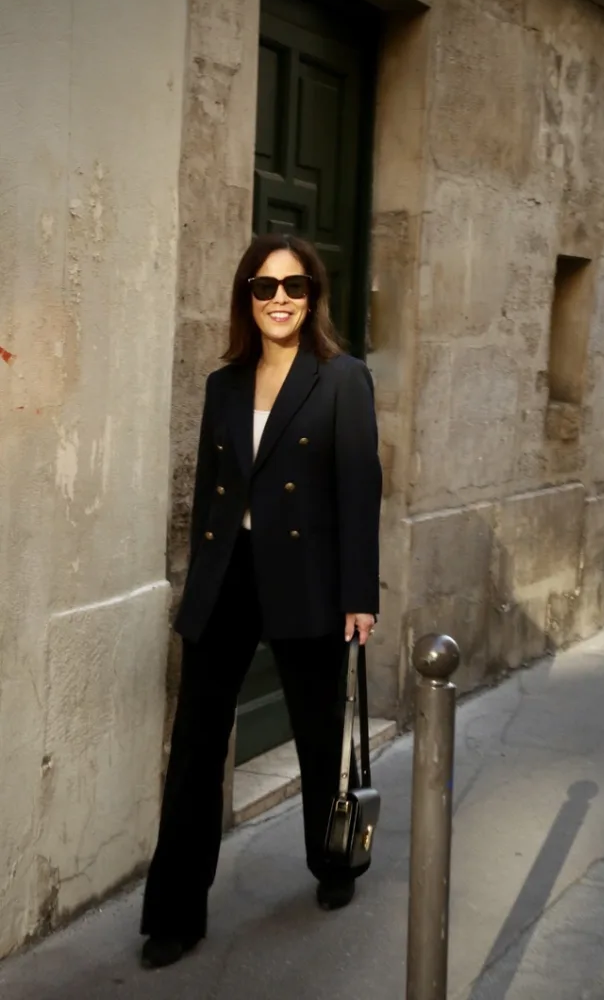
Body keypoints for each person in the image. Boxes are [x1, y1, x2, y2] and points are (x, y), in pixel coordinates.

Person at [139, 233, 382, 969]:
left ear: (313, 296)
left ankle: (332, 861)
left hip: (307, 574)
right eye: (264, 286)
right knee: (196, 744)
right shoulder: (224, 385)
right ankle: (174, 912)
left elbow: (358, 490)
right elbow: (211, 495)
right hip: (228, 575)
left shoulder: (342, 379)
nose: (279, 298)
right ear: (247, 296)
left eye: (294, 286)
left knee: (317, 733)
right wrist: (199, 578)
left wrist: (359, 594)